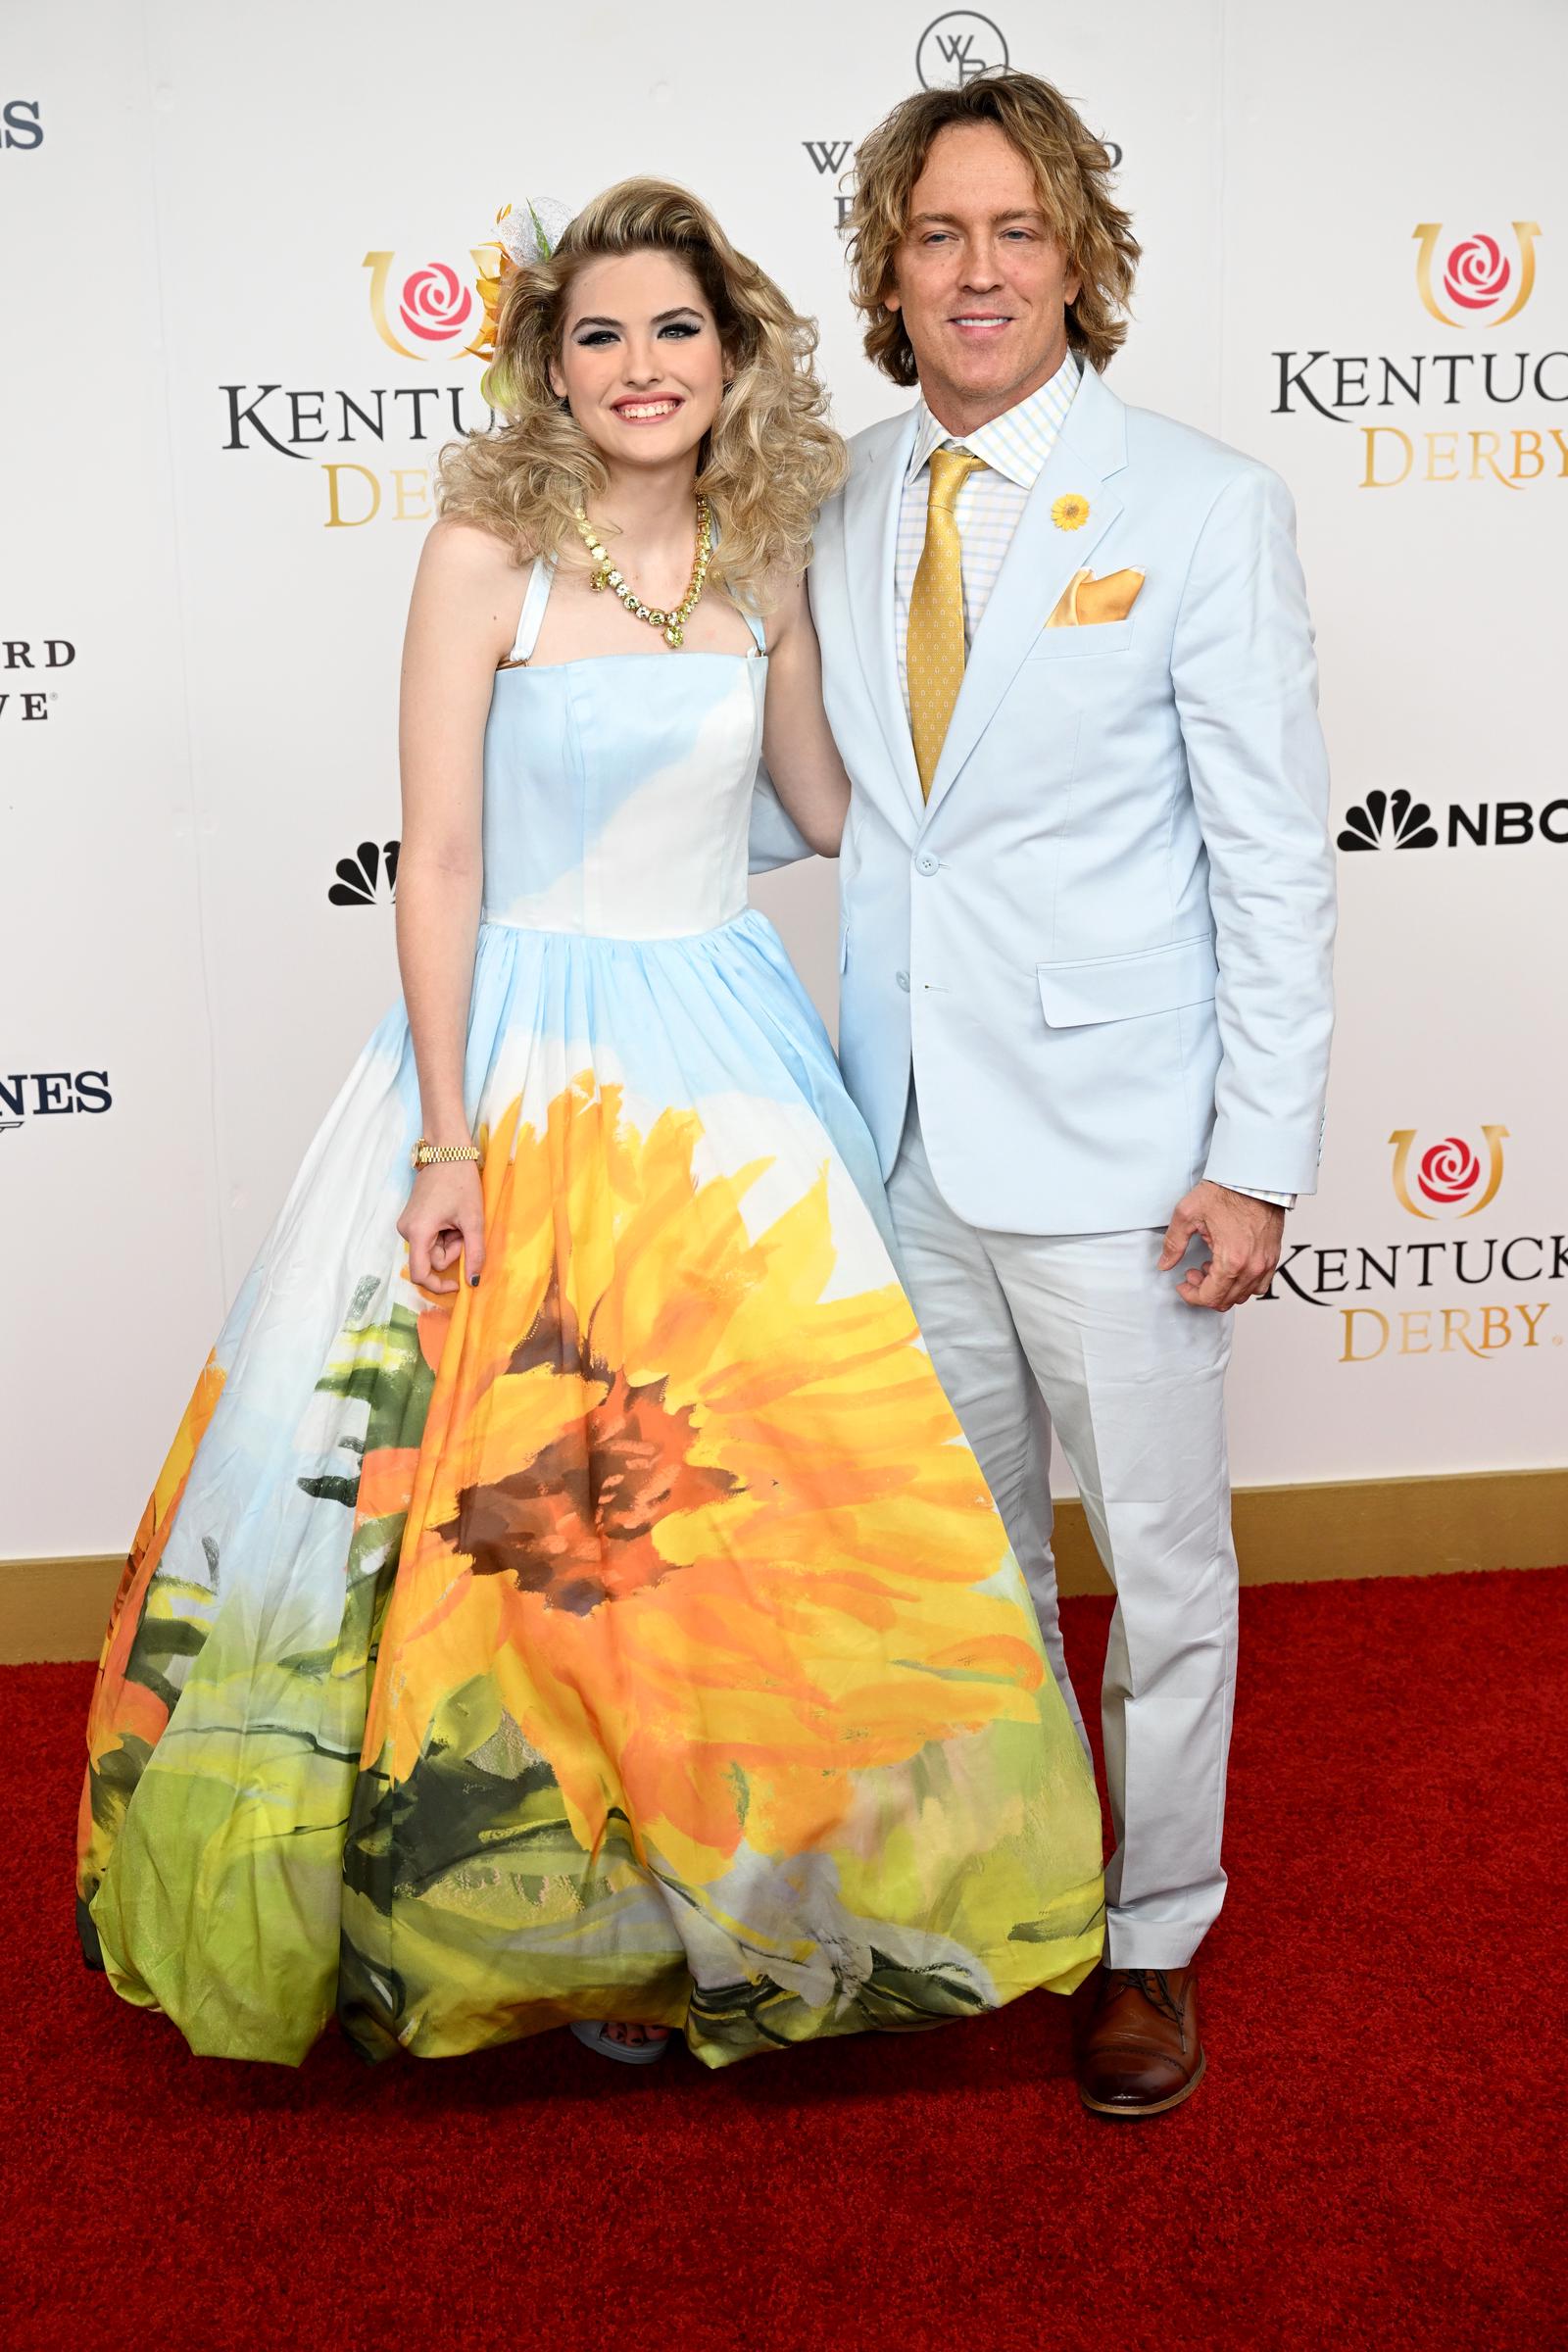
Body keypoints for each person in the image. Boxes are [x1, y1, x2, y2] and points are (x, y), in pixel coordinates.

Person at [74, 179, 1104, 2072]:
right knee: (520, 1528)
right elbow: (442, 858)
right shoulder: (486, 551)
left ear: (736, 357)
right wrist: (447, 1139)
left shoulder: (767, 553)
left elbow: (823, 805)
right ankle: (529, 1918)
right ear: (554, 365)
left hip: (723, 1060)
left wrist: (1053, 837)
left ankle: (707, 1910)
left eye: (678, 331)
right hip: (519, 1057)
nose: (645, 367)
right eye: (603, 334)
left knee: (736, 1520)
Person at [754, 73, 1336, 2116]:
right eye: (936, 235)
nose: (976, 269)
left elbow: (1266, 858)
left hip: (1125, 1162)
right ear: (886, 272)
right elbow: (808, 800)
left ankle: (1150, 1935)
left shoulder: (1195, 504)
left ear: (1075, 257)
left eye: (1013, 231)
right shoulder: (832, 497)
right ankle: (1005, 1895)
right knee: (967, 1558)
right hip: (898, 1137)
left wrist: (1254, 1160)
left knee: (1159, 1571)